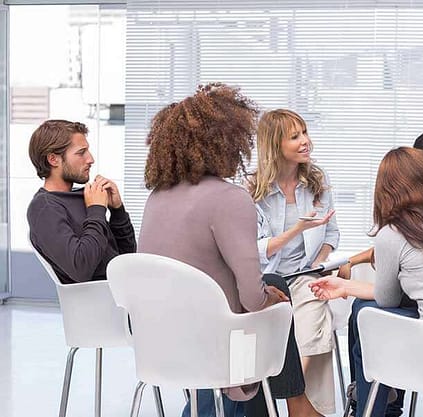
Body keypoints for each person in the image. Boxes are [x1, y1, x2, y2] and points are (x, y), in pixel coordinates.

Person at [138, 84, 322, 417]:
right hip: (216, 343)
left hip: (159, 341)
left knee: (265, 298)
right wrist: (270, 297)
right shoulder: (229, 199)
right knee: (273, 292)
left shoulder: (157, 197)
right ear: (228, 141)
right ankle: (298, 405)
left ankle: (295, 406)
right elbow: (253, 298)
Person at [308, 147, 423, 417]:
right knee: (364, 308)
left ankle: (374, 409)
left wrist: (350, 291)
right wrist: (345, 287)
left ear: (386, 189)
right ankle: (378, 405)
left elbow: (386, 300)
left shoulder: (394, 233)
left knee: (365, 313)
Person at [247, 109, 339, 415]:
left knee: (314, 309)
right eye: (295, 136)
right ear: (275, 145)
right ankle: (298, 404)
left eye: (305, 132)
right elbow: (257, 249)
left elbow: (332, 234)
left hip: (306, 275)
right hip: (268, 280)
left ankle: (285, 393)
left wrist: (319, 264)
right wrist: (297, 229)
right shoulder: (253, 189)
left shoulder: (317, 180)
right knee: (304, 324)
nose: (305, 141)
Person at [27, 119, 136, 284]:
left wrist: (117, 210)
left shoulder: (84, 197)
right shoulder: (45, 207)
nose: (90, 159)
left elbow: (126, 258)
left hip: (125, 292)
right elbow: (81, 268)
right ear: (53, 159)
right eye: (81, 152)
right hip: (102, 300)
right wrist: (97, 210)